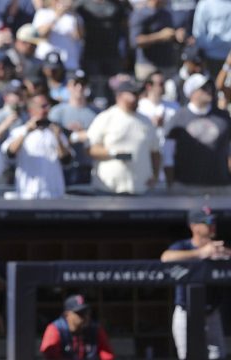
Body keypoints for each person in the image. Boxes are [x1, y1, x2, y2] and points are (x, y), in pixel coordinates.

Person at [160, 207, 230, 360]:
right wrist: (200, 253)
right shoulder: (183, 246)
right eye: (208, 222)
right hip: (186, 313)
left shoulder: (218, 247)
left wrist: (225, 254)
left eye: (213, 222)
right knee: (188, 356)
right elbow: (165, 257)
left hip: (212, 313)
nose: (212, 226)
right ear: (194, 226)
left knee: (218, 356)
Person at [87, 79, 161, 195]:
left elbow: (155, 152)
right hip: (108, 189)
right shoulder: (106, 117)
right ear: (120, 96)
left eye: (137, 94)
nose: (136, 98)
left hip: (139, 189)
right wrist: (113, 153)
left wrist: (155, 176)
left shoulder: (146, 121)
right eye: (133, 94)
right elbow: (90, 149)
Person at [163, 73, 231, 194]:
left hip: (221, 186)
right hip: (186, 187)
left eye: (209, 86)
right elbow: (168, 154)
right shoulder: (178, 117)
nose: (208, 90)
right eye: (203, 88)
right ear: (192, 93)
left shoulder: (223, 117)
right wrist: (170, 183)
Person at [1, 93, 71, 199]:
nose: (46, 109)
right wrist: (26, 132)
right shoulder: (19, 131)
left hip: (53, 192)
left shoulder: (56, 132)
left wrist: (57, 138)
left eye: (48, 106)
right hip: (27, 192)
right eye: (43, 106)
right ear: (31, 110)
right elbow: (10, 153)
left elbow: (66, 160)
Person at [48, 69, 97, 186]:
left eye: (83, 84)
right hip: (63, 166)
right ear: (68, 86)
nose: (79, 88)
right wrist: (71, 136)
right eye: (75, 84)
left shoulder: (96, 113)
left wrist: (85, 134)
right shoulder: (57, 111)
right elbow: (50, 140)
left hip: (88, 166)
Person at [40, 294, 115, 360]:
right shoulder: (55, 329)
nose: (85, 316)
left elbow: (108, 356)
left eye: (86, 312)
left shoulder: (95, 329)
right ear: (67, 314)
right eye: (80, 313)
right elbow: (50, 356)